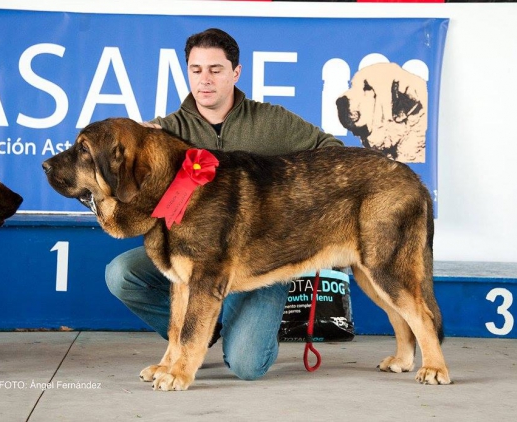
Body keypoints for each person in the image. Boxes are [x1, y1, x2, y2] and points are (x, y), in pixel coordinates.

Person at [105, 28, 343, 381]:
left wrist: (298, 207)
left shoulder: (271, 120)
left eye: (216, 69)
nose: (205, 80)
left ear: (236, 72)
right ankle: (200, 330)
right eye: (196, 69)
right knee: (122, 273)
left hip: (260, 259)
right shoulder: (165, 132)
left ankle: (220, 323)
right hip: (191, 256)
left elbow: (333, 153)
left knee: (247, 366)